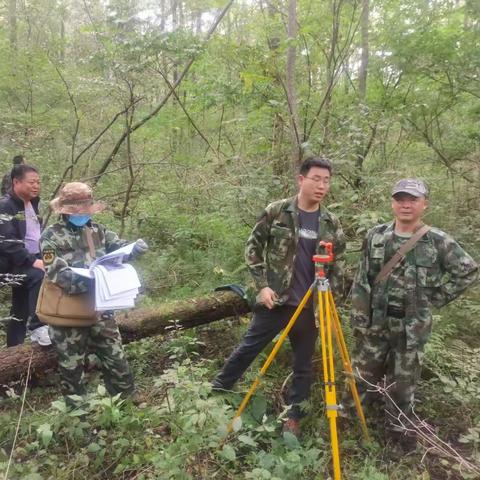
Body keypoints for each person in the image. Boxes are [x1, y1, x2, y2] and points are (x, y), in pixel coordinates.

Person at [212, 156, 346, 436]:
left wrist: (330, 302)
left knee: (302, 365)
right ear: (301, 179)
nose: (322, 185)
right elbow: (253, 247)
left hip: (310, 307)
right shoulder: (277, 211)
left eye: (326, 181)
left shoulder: (331, 222)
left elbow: (338, 265)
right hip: (276, 301)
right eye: (316, 179)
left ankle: (294, 417)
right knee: (247, 350)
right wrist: (262, 286)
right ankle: (216, 393)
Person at [348, 178, 478, 453]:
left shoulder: (438, 240)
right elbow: (363, 279)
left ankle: (398, 433)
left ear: (424, 204)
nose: (406, 204)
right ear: (393, 202)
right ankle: (351, 423)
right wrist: (359, 318)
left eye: (413, 199)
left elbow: (468, 270)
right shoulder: (376, 235)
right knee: (361, 374)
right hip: (377, 322)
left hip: (412, 327)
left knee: (403, 383)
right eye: (400, 198)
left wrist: (434, 299)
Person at [40, 182, 148, 407]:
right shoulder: (51, 236)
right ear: (65, 211)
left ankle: (125, 402)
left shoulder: (98, 230)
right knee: (72, 369)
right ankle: (79, 414)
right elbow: (57, 274)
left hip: (101, 307)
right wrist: (91, 277)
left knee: (115, 356)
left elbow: (119, 249)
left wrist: (133, 249)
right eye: (76, 212)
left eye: (85, 210)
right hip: (68, 312)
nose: (82, 216)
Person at [0, 164, 50, 346]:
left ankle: (14, 346)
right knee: (39, 276)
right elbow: (7, 242)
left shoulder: (32, 203)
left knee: (19, 306)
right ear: (16, 182)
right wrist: (33, 261)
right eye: (31, 182)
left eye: (38, 182)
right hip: (11, 263)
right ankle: (38, 327)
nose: (36, 186)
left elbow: (34, 236)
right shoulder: (5, 206)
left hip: (29, 258)